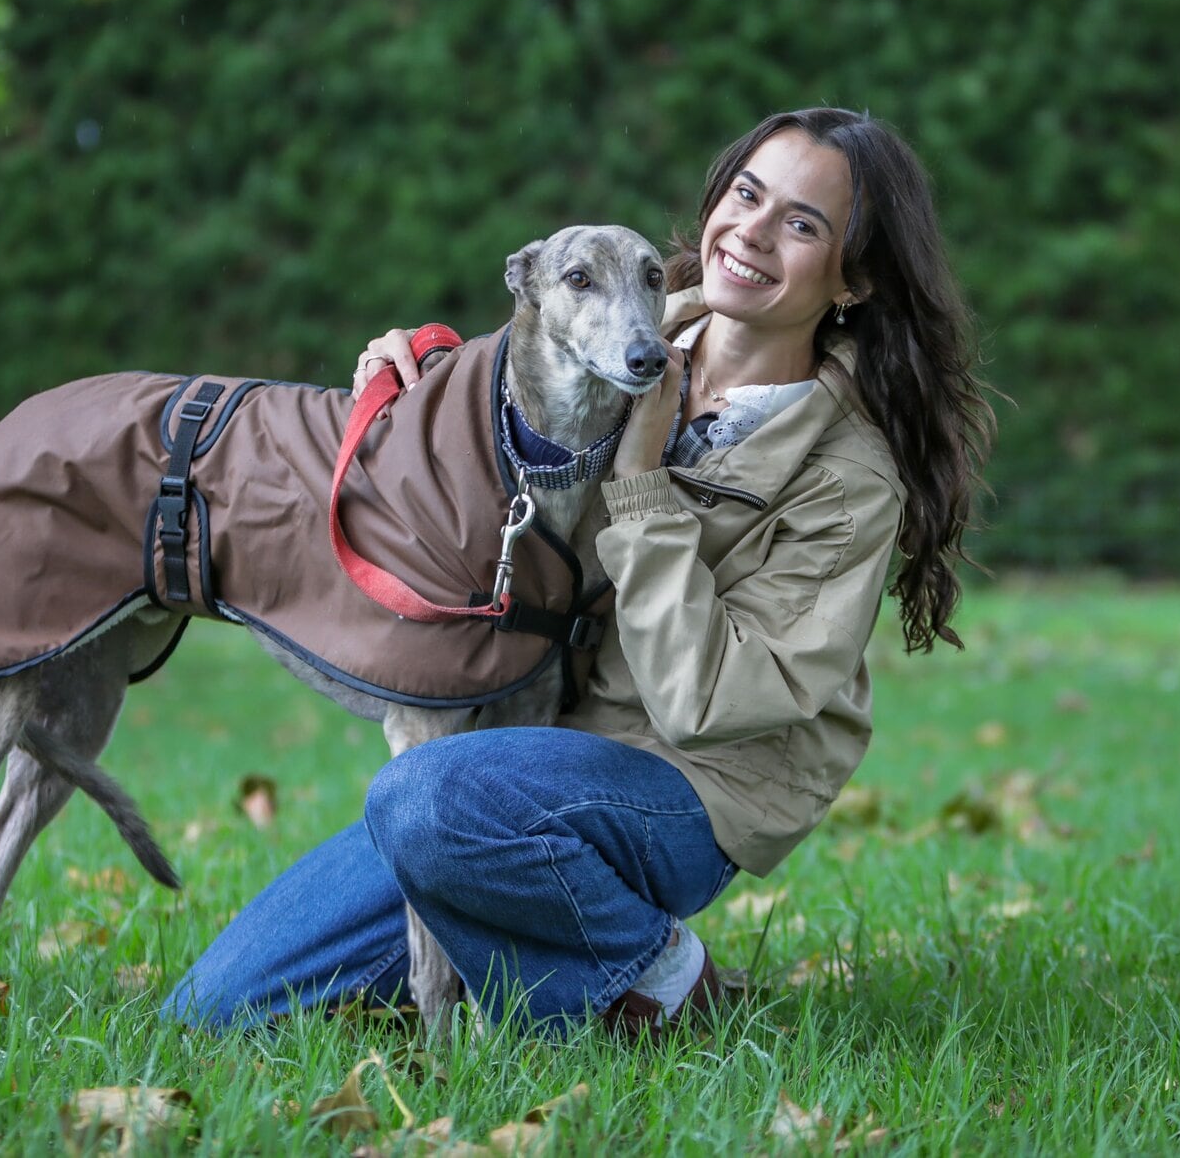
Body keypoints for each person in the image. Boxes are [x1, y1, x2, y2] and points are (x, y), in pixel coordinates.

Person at [161, 107, 994, 1034]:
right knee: (219, 1006)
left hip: (688, 786)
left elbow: (705, 703)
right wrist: (416, 376)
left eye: (803, 223)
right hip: (523, 757)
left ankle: (661, 976)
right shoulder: (630, 332)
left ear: (855, 277)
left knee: (423, 795)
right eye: (748, 194)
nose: (754, 231)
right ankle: (531, 949)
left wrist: (640, 483)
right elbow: (487, 442)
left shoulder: (847, 477)